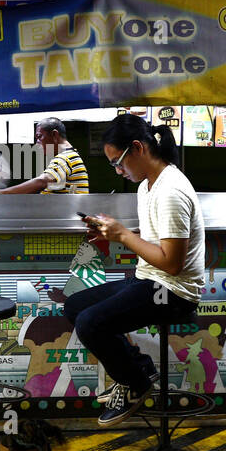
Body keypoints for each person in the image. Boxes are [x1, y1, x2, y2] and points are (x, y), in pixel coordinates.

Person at [64, 114, 205, 426]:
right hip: (151, 279)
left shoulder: (171, 191)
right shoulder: (148, 186)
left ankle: (135, 385)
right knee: (75, 305)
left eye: (119, 162)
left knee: (90, 323)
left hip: (174, 292)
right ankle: (139, 367)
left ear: (138, 148)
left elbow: (172, 263)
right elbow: (155, 242)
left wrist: (123, 235)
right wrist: (111, 233)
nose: (117, 170)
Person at [0, 117, 90, 195]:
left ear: (54, 135)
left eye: (39, 136)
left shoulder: (65, 158)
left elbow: (43, 181)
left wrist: (2, 192)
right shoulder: (71, 156)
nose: (37, 142)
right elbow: (55, 187)